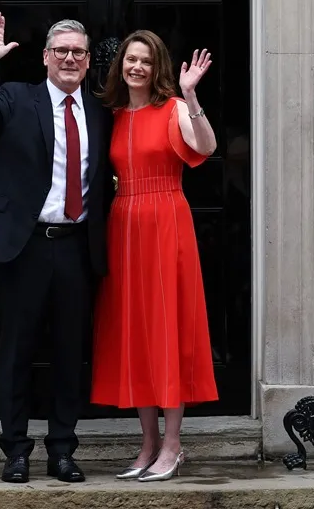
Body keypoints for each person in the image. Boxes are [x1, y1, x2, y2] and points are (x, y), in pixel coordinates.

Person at [0, 12, 112, 484]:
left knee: (70, 354)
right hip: (22, 246)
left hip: (75, 247)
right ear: (46, 57)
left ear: (87, 62)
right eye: (61, 50)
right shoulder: (15, 97)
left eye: (78, 52)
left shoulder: (103, 111)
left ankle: (63, 450)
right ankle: (16, 450)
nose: (70, 58)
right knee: (17, 351)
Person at [90, 30, 219, 482]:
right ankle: (147, 443)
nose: (137, 67)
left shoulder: (174, 108)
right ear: (121, 65)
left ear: (157, 66)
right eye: (130, 59)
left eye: (145, 60)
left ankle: (173, 444)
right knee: (137, 332)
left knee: (167, 330)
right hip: (124, 224)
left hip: (166, 220)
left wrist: (191, 94)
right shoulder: (115, 114)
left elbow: (206, 147)